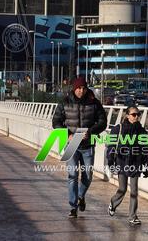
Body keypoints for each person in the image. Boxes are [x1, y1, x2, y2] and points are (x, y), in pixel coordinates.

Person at [52, 76, 107, 218]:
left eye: (83, 88)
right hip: (71, 144)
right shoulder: (64, 102)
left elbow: (102, 122)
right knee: (72, 175)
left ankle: (81, 196)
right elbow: (56, 121)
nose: (81, 91)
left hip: (88, 145)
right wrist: (67, 135)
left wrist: (90, 131)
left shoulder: (94, 103)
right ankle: (73, 206)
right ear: (74, 88)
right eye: (78, 88)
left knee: (87, 175)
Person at [107, 107, 148, 226]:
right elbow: (111, 146)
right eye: (134, 114)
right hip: (121, 162)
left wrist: (147, 165)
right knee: (122, 189)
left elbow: (145, 150)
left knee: (134, 191)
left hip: (136, 163)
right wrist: (110, 162)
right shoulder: (118, 129)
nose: (136, 117)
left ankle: (132, 216)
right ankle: (113, 203)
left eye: (138, 114)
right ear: (127, 115)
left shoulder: (142, 131)